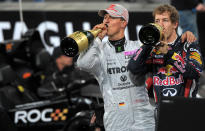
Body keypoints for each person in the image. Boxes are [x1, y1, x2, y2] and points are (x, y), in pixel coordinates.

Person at [76, 4, 155, 131]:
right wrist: (97, 40)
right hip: (115, 119)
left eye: (111, 17)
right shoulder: (99, 51)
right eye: (105, 17)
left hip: (143, 115)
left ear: (123, 22)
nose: (106, 21)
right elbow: (83, 64)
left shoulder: (137, 47)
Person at [127, 4, 203, 124]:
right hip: (162, 112)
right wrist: (148, 43)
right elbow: (133, 68)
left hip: (187, 110)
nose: (160, 24)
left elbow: (195, 72)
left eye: (165, 20)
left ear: (175, 24)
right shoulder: (152, 49)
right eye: (157, 21)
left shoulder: (188, 44)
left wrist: (169, 53)